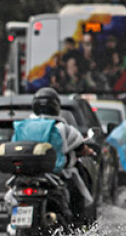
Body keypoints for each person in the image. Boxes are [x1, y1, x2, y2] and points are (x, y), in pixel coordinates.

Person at [11, 87, 94, 225]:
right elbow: (81, 147)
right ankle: (78, 224)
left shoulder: (21, 126)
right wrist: (89, 152)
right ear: (56, 106)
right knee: (78, 189)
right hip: (57, 174)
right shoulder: (62, 127)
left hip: (25, 175)